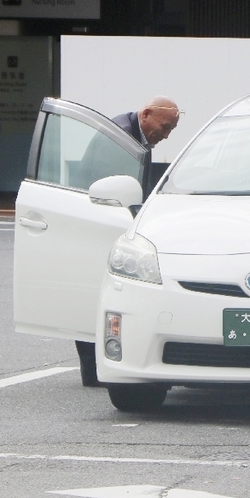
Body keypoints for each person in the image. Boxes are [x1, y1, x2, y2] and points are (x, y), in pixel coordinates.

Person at [75, 96, 180, 387]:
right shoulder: (121, 139)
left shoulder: (131, 132)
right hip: (99, 223)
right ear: (146, 114)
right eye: (164, 126)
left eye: (172, 129)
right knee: (101, 294)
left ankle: (95, 369)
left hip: (98, 219)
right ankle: (94, 369)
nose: (167, 134)